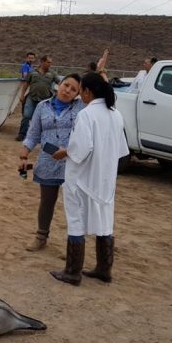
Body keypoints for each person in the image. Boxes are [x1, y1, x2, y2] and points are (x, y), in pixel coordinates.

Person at [50, 72, 129, 286]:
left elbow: (80, 150)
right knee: (105, 222)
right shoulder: (116, 114)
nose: (80, 95)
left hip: (82, 179)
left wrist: (64, 152)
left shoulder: (87, 115)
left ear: (88, 92)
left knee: (76, 222)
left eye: (81, 90)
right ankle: (104, 268)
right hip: (105, 180)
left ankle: (72, 271)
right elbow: (121, 150)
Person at [19, 73, 84, 251]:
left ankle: (74, 246)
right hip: (48, 162)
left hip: (73, 164)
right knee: (47, 202)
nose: (67, 90)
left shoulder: (82, 107)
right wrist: (24, 155)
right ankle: (41, 237)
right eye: (66, 85)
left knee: (75, 206)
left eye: (73, 89)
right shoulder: (42, 106)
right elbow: (33, 134)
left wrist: (101, 72)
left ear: (78, 93)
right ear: (59, 85)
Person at [16, 55, 60, 141]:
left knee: (43, 119)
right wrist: (22, 95)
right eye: (48, 62)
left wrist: (59, 94)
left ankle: (40, 137)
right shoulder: (32, 72)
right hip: (31, 98)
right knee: (27, 116)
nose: (50, 64)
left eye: (51, 63)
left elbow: (60, 83)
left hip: (45, 100)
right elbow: (26, 84)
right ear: (42, 62)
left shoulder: (52, 74)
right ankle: (21, 134)